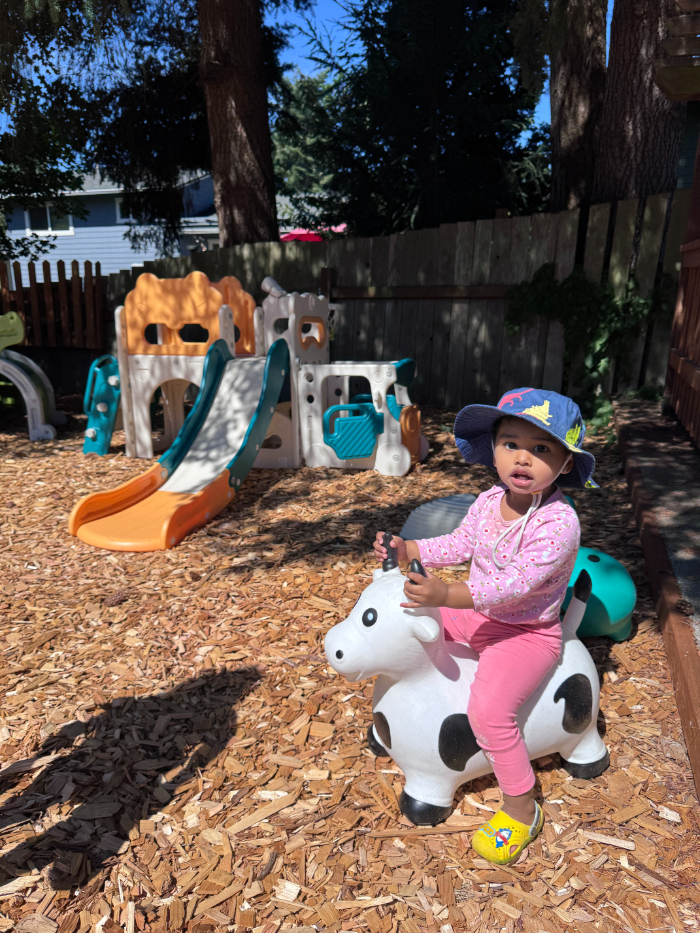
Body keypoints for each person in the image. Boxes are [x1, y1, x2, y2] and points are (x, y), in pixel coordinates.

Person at [374, 387, 597, 865]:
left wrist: (446, 594)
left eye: (541, 449)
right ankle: (400, 717)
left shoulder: (559, 523)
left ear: (563, 464)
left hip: (525, 633)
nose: (523, 457)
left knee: (490, 713)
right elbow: (459, 543)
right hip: (479, 615)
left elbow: (515, 585)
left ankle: (520, 807)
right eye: (510, 443)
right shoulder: (488, 500)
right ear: (493, 449)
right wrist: (411, 551)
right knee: (410, 622)